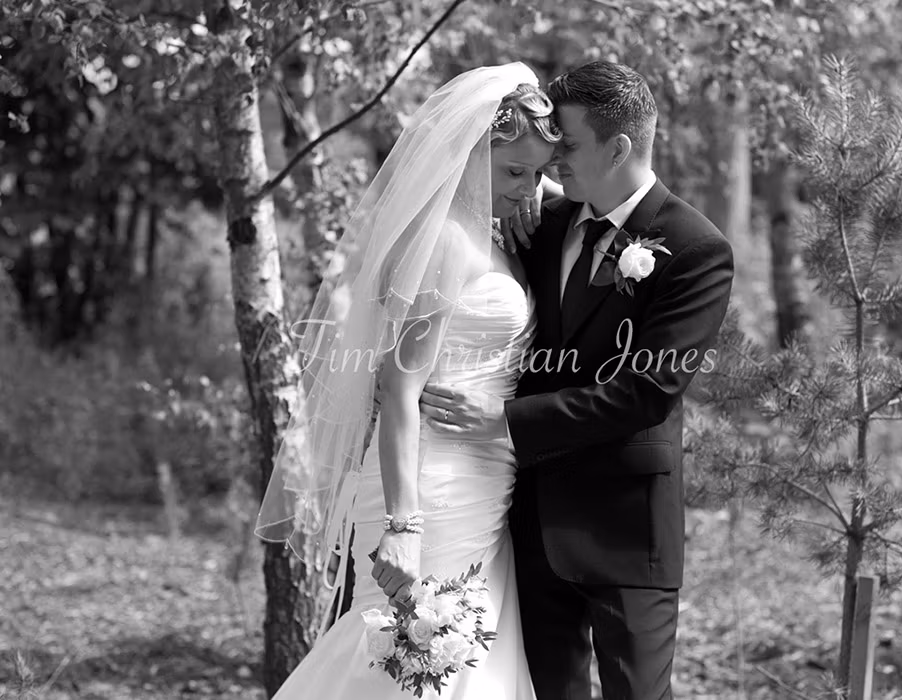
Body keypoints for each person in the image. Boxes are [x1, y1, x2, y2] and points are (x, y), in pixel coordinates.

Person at [419, 61, 735, 699]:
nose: (553, 161)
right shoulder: (539, 222)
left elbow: (646, 394)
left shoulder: (696, 248)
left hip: (625, 529)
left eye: (566, 145)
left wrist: (505, 423)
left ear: (618, 147)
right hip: (527, 523)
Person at [254, 62, 559, 699]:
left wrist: (533, 185)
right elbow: (399, 393)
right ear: (470, 154)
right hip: (428, 488)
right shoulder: (444, 240)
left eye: (536, 172)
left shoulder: (496, 232)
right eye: (512, 171)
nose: (527, 187)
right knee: (410, 661)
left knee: (467, 663)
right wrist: (403, 527)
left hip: (485, 484)